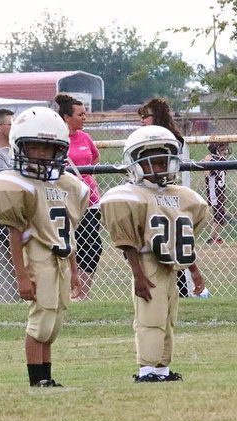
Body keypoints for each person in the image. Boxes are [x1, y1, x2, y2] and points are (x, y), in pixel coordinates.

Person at [0, 106, 90, 387]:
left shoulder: (67, 185)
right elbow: (15, 234)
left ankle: (47, 377)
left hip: (61, 259)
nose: (41, 153)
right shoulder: (18, 185)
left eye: (47, 148)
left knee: (52, 324)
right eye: (34, 147)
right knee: (40, 322)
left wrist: (74, 270)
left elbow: (67, 234)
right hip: (39, 259)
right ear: (20, 147)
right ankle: (37, 379)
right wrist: (21, 275)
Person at [100, 125, 208, 382]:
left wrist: (194, 270)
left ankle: (162, 369)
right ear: (135, 164)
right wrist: (138, 274)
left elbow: (182, 239)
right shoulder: (130, 195)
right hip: (148, 262)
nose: (159, 168)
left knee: (168, 318)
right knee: (150, 318)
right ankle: (146, 369)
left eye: (162, 162)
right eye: (151, 163)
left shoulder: (182, 196)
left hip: (171, 266)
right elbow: (128, 242)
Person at [137, 98, 193, 297]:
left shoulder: (171, 139)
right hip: (146, 195)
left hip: (166, 195)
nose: (142, 121)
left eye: (146, 116)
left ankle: (181, 287)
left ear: (158, 116)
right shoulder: (140, 138)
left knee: (171, 240)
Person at [55, 94, 101, 301]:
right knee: (68, 245)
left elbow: (95, 157)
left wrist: (88, 178)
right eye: (80, 114)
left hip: (90, 200)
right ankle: (65, 289)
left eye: (85, 113)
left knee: (92, 246)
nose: (84, 118)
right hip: (65, 201)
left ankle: (81, 294)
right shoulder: (58, 139)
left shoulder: (85, 137)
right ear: (66, 117)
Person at [203, 142, 231, 245]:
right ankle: (211, 238)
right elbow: (206, 174)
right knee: (219, 215)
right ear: (217, 149)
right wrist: (208, 161)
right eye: (223, 149)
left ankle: (216, 236)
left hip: (221, 191)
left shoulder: (222, 160)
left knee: (219, 215)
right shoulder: (211, 159)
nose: (226, 151)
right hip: (214, 191)